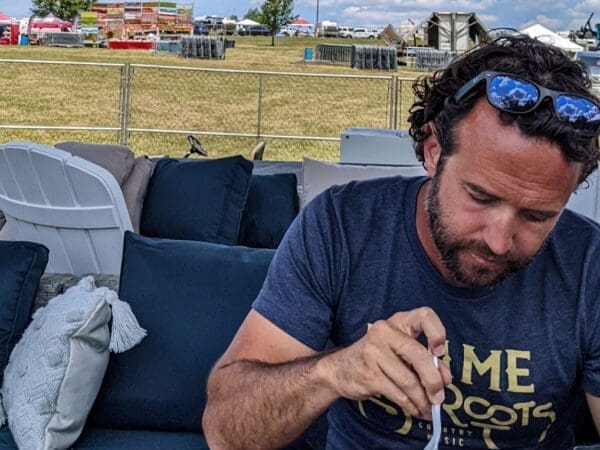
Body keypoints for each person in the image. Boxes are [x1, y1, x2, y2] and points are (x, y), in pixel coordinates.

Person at [202, 35, 600, 449]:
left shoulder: (589, 265)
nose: (499, 242)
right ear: (432, 152)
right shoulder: (342, 226)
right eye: (480, 197)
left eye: (537, 216)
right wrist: (337, 371)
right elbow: (226, 431)